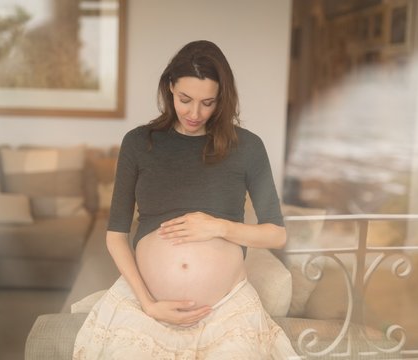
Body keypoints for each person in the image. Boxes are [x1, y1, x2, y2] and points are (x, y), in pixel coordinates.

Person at [73, 40, 298, 359]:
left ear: (223, 98)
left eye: (208, 102)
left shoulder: (247, 147)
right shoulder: (139, 143)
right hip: (147, 305)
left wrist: (217, 227)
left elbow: (276, 234)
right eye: (185, 99)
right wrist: (148, 304)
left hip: (224, 309)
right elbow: (116, 236)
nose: (195, 113)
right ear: (170, 88)